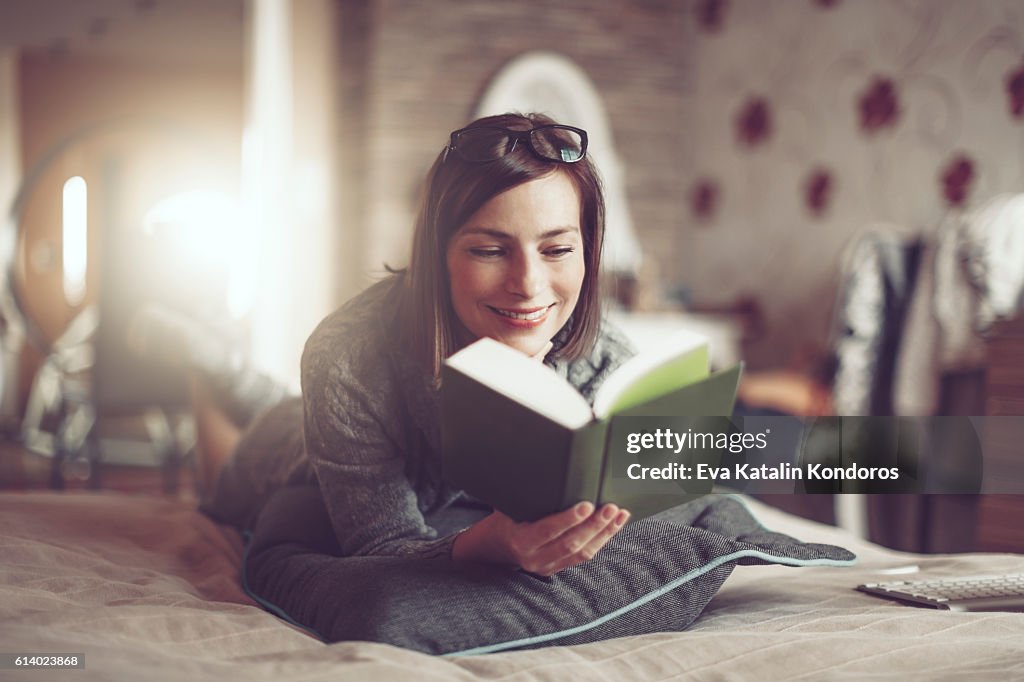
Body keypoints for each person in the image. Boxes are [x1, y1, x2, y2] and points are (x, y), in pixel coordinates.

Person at [138, 112, 637, 578]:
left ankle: (227, 365)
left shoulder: (605, 357)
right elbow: (381, 545)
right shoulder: (347, 357)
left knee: (280, 400)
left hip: (326, 414)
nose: (528, 285)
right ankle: (207, 365)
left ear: (588, 253)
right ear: (437, 256)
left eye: (557, 250)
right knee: (244, 455)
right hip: (284, 454)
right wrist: (486, 546)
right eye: (489, 250)